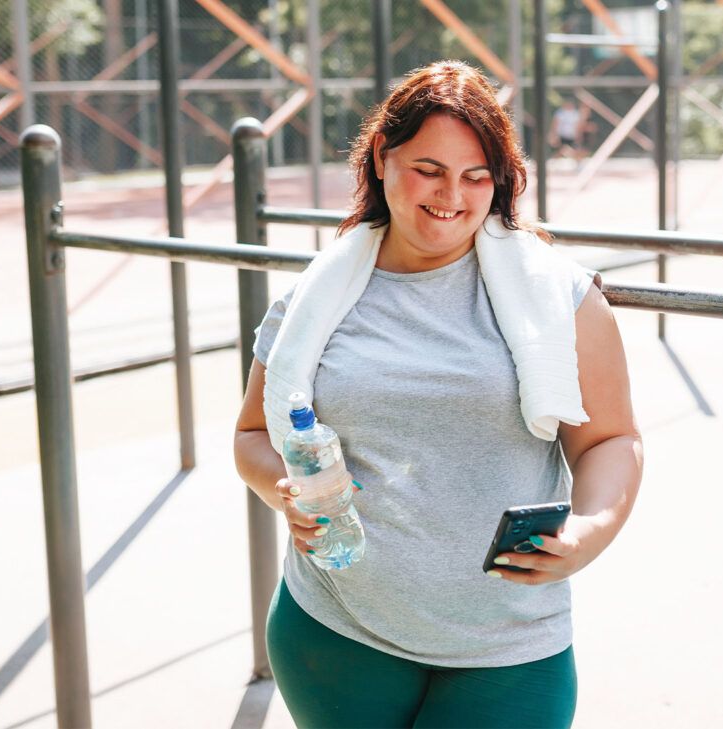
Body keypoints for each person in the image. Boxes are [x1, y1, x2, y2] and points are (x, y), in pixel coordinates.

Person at [233, 60, 642, 729]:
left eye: (477, 175)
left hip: (508, 645)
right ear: (382, 159)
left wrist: (589, 531)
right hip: (334, 631)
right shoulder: (311, 300)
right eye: (429, 169)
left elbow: (611, 439)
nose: (452, 194)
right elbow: (251, 434)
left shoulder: (560, 296)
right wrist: (288, 487)